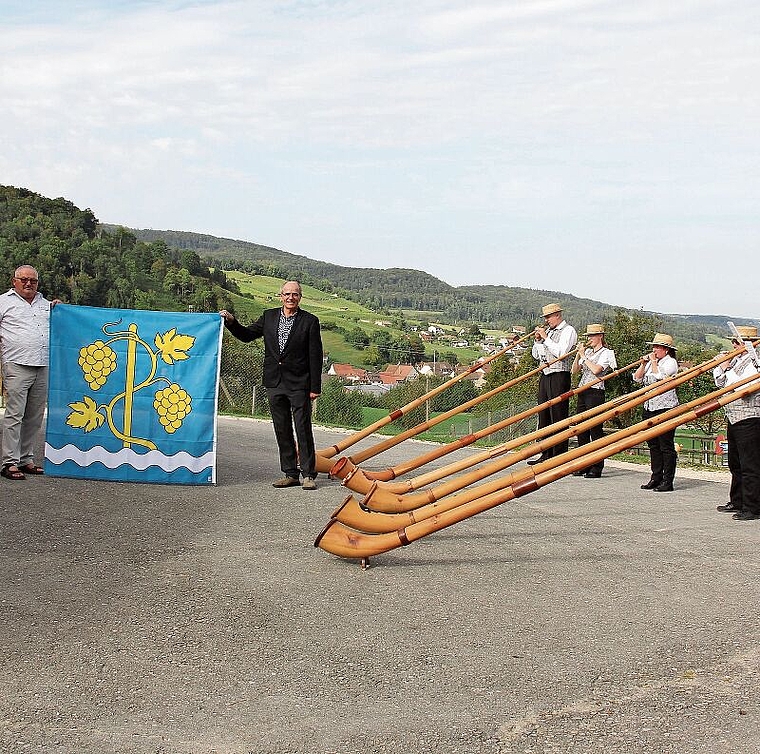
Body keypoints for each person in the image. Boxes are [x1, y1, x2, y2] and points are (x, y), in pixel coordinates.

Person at [220, 281, 323, 489]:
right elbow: (247, 335)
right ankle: (290, 473)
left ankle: (309, 475)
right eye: (287, 294)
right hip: (274, 382)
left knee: (303, 429)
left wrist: (314, 387)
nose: (290, 298)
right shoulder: (269, 317)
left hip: (299, 384)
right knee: (281, 429)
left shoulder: (310, 321)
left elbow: (315, 355)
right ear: (280, 296)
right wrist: (231, 322)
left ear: (300, 297)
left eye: (295, 294)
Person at [0, 265, 59, 480]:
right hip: (16, 364)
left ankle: (26, 459)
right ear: (14, 281)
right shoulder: (3, 302)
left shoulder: (47, 305)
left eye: (33, 281)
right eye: (24, 279)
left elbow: (61, 327)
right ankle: (9, 462)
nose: (28, 284)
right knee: (15, 414)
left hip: (43, 365)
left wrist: (61, 311)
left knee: (34, 417)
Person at [712, 325, 760, 521]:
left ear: (746, 344)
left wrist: (726, 370)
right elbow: (719, 383)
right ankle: (738, 500)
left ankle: (753, 507)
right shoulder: (736, 361)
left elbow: (746, 386)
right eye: (733, 341)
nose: (732, 345)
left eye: (736, 342)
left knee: (750, 465)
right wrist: (724, 366)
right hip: (734, 416)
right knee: (735, 463)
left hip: (749, 417)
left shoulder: (754, 362)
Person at [528, 303, 577, 464]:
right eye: (545, 318)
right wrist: (537, 342)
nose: (547, 321)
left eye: (548, 317)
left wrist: (546, 339)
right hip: (546, 374)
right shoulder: (548, 332)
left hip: (559, 375)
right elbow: (537, 356)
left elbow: (561, 353)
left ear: (557, 315)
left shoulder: (568, 331)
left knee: (558, 414)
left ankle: (559, 454)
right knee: (544, 415)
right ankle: (545, 452)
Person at [634, 333, 679, 492]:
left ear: (666, 350)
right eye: (654, 347)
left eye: (658, 347)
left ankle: (668, 480)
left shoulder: (671, 363)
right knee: (653, 444)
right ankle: (656, 477)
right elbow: (637, 379)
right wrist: (642, 364)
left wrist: (653, 362)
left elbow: (660, 377)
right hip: (649, 407)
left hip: (665, 407)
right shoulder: (652, 362)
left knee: (665, 445)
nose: (655, 350)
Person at [570, 324, 617, 478]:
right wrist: (578, 354)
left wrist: (584, 357)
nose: (589, 339)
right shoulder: (588, 352)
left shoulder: (607, 353)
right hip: (583, 390)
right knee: (581, 428)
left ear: (600, 336)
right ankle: (584, 464)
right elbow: (574, 371)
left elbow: (597, 370)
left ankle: (597, 466)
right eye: (588, 336)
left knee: (595, 429)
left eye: (592, 336)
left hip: (596, 391)